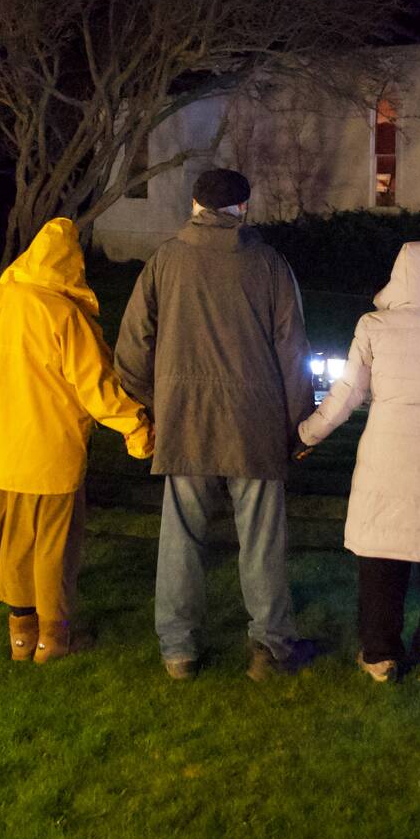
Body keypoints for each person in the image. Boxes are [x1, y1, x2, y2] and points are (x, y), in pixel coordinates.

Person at [114, 168, 316, 682]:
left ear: (195, 205)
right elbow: (292, 347)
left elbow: (134, 342)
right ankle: (269, 647)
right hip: (255, 419)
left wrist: (146, 403)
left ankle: (178, 649)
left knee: (181, 534)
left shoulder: (165, 261)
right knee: (262, 537)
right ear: (243, 209)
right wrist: (302, 422)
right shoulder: (269, 264)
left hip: (185, 415)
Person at [0, 217, 152, 661]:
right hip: (54, 453)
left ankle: (20, 635)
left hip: (6, 452)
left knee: (16, 546)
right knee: (53, 551)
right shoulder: (64, 316)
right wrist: (136, 428)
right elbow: (96, 387)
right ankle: (54, 637)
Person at [297, 242, 420, 685]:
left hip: (384, 454)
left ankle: (381, 654)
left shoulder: (374, 326)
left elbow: (347, 392)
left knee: (380, 555)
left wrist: (307, 433)